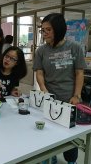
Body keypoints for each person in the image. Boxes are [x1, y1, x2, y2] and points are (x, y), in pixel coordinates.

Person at [33, 13, 86, 164]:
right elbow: (39, 72)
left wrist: (76, 95)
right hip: (49, 99)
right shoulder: (41, 51)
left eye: (48, 30)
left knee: (70, 134)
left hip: (70, 98)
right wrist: (44, 90)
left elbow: (79, 73)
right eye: (43, 30)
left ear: (59, 29)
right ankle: (50, 157)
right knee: (48, 131)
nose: (45, 34)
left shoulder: (74, 47)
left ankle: (71, 161)